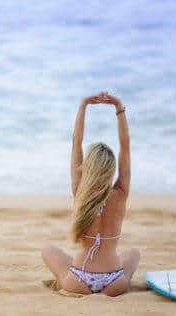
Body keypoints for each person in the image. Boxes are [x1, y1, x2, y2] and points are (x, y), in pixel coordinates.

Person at [41, 91, 140, 296]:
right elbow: (125, 147)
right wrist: (119, 108)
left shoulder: (80, 192)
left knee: (47, 250)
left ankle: (67, 281)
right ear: (111, 168)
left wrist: (83, 105)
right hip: (114, 283)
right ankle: (117, 281)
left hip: (78, 280)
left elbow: (76, 141)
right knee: (134, 254)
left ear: (88, 168)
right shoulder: (120, 193)